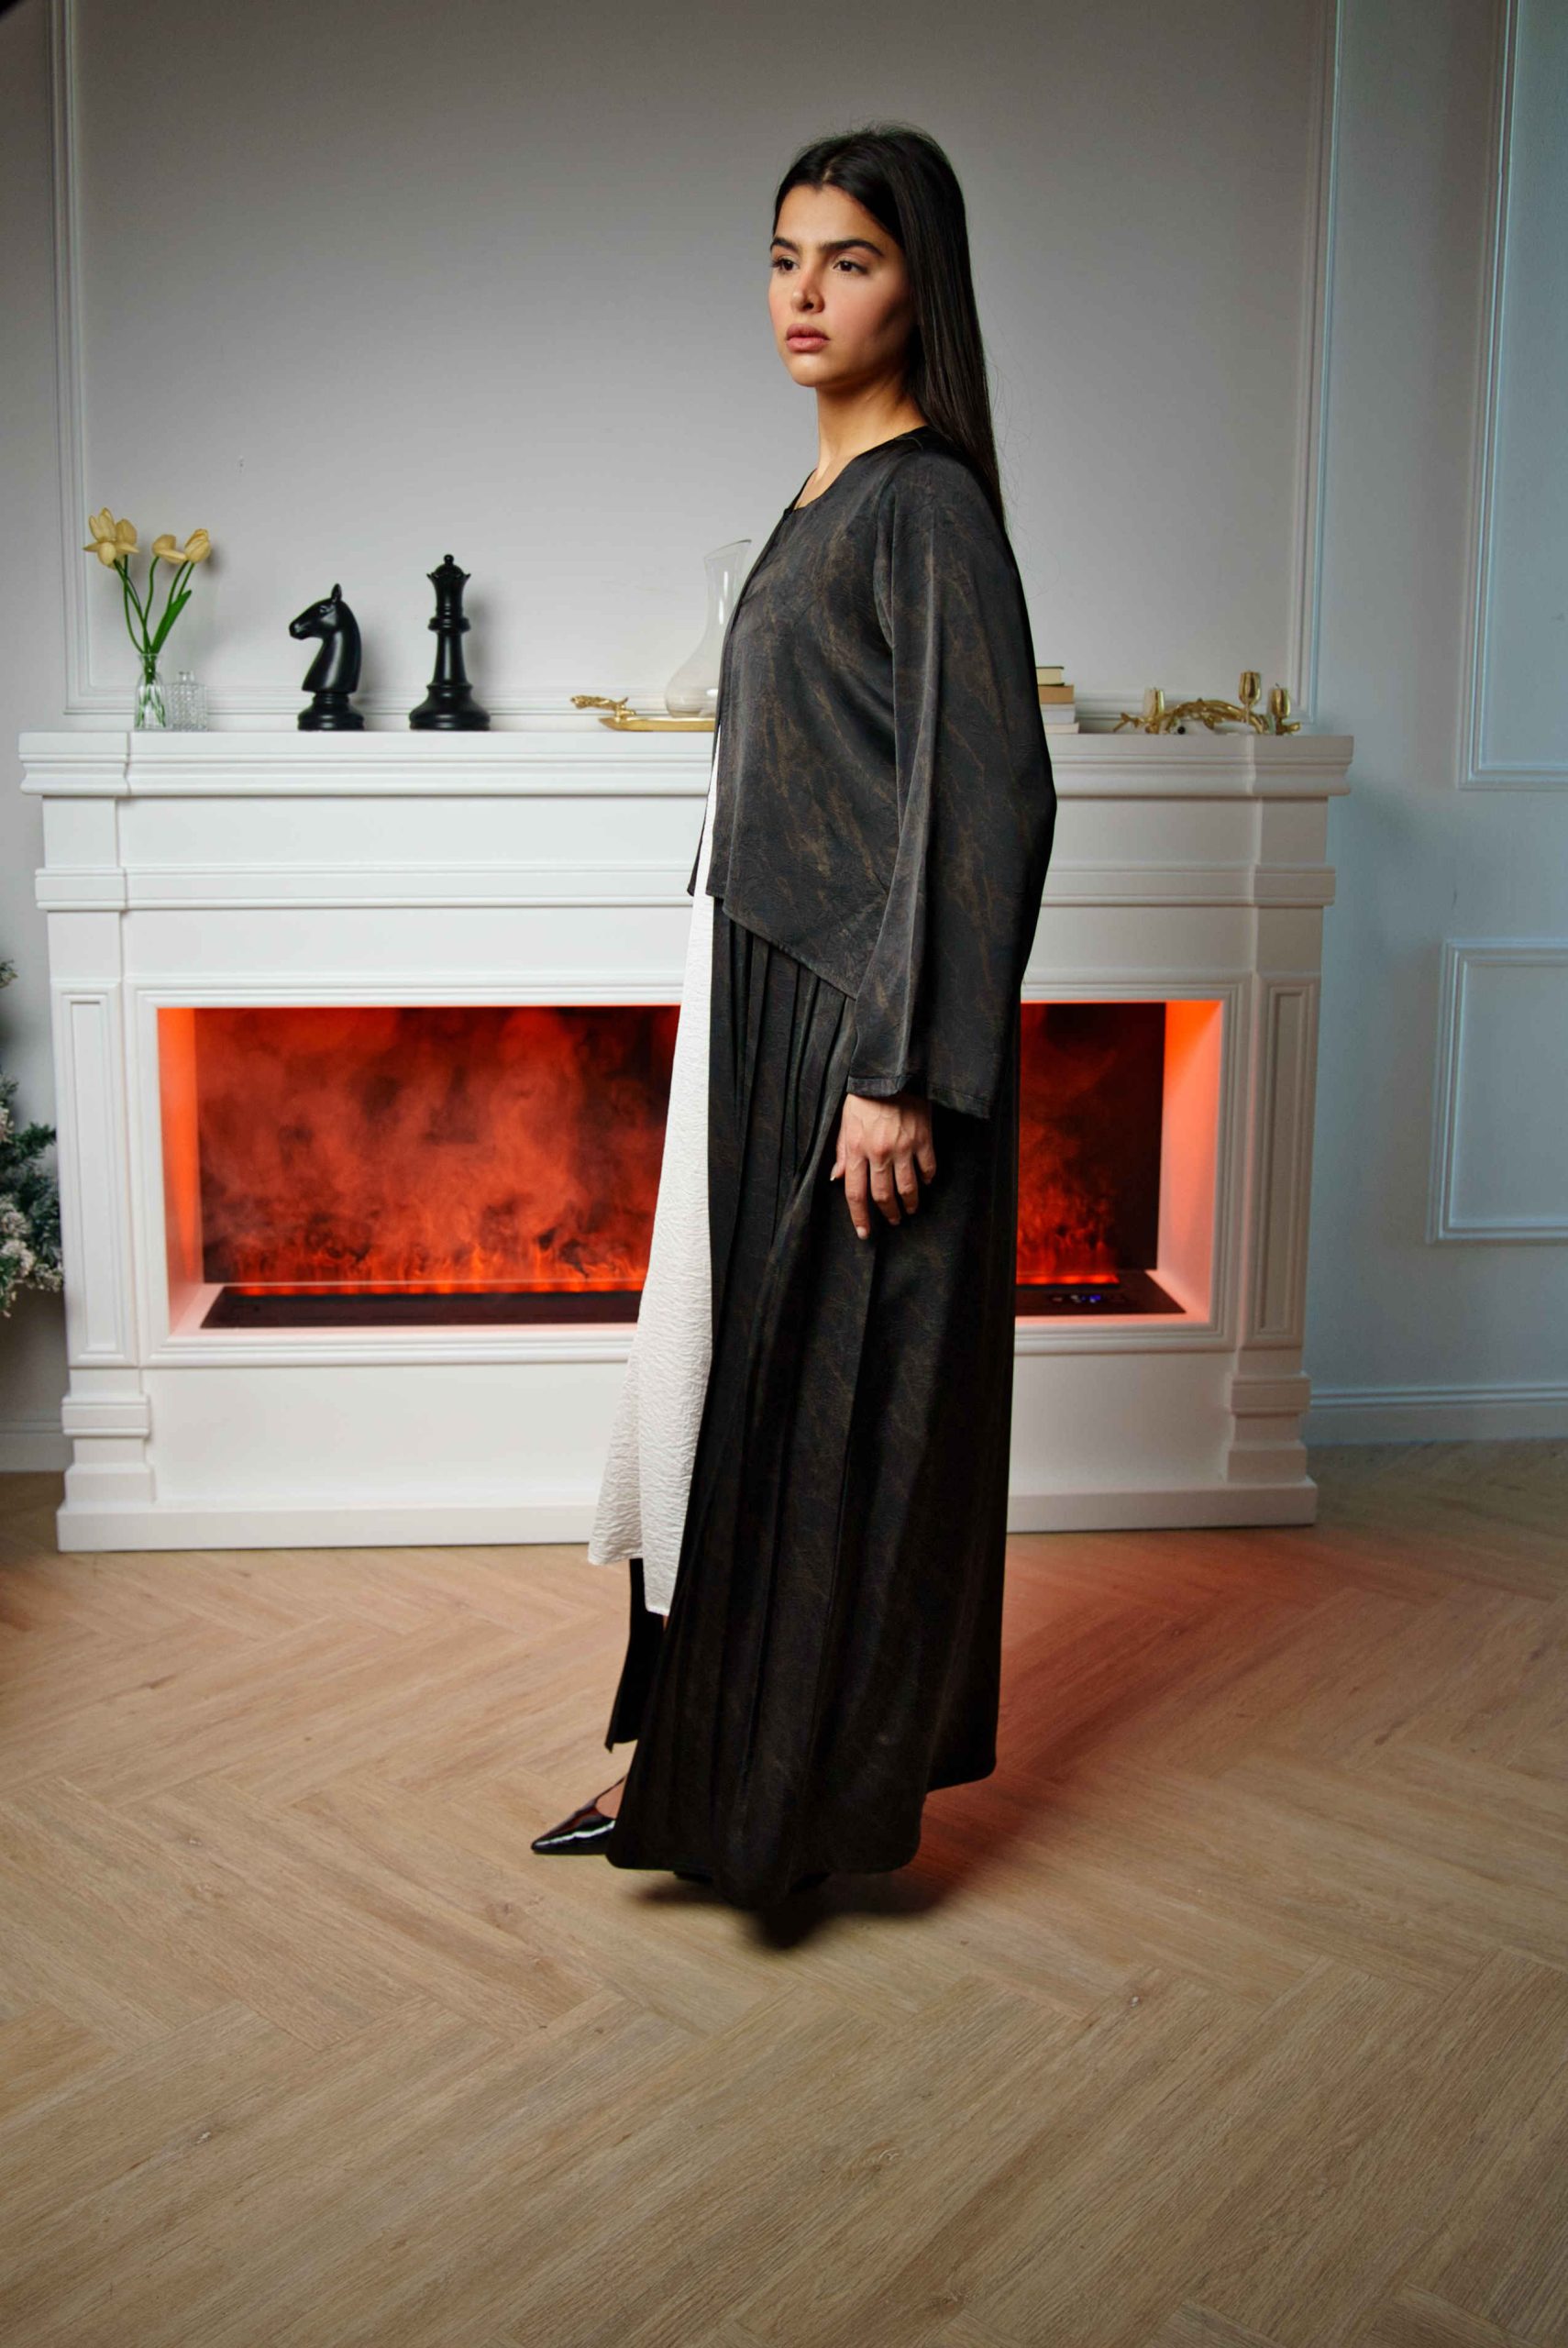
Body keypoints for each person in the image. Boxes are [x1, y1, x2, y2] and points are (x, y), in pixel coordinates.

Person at [532, 121, 1057, 1909]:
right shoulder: (821, 502)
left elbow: (986, 800)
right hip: (768, 1004)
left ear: (921, 285)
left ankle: (788, 1812)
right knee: (740, 1401)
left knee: (836, 1414)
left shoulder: (927, 506)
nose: (805, 294)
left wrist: (902, 1068)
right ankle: (696, 1769)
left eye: (850, 259)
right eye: (783, 258)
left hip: (861, 1037)